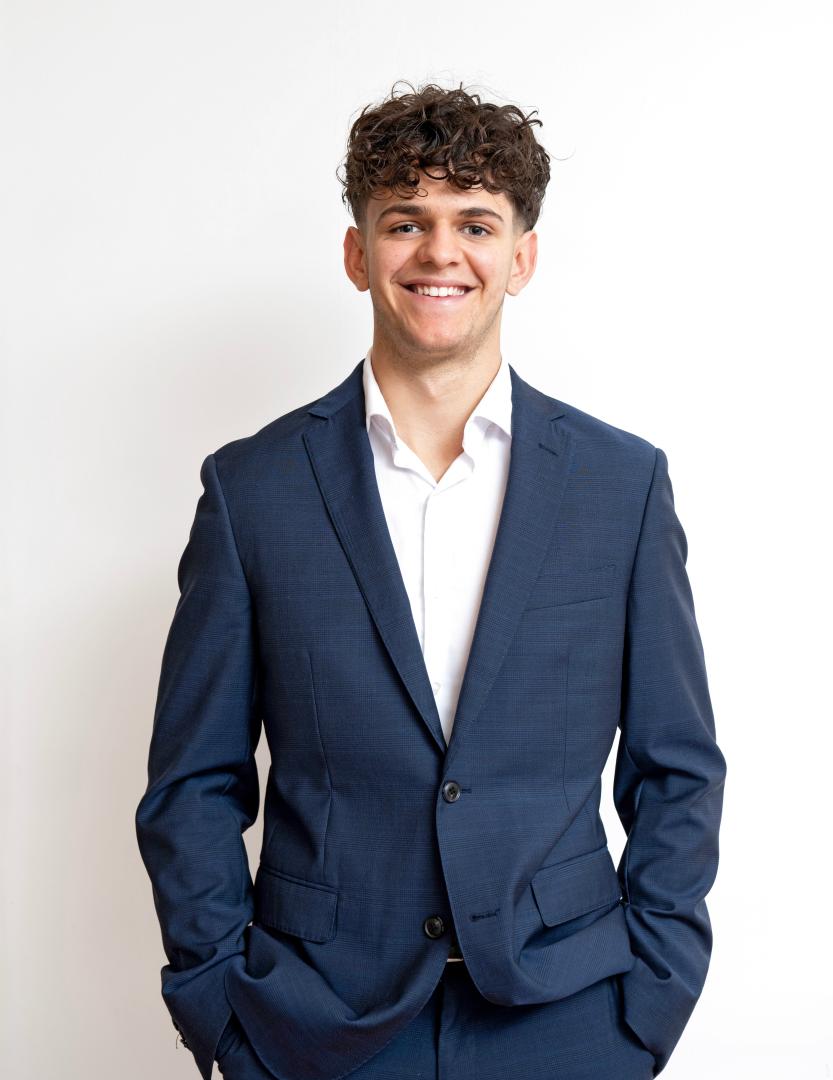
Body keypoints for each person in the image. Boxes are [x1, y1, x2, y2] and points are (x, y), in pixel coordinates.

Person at [135, 81, 726, 1080]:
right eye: (405, 221)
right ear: (357, 253)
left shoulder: (620, 485)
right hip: (316, 1020)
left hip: (568, 1015)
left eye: (475, 224)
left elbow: (677, 768)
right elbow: (193, 783)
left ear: (520, 257)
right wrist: (221, 1010)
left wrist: (645, 1007)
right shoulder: (251, 491)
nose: (439, 253)